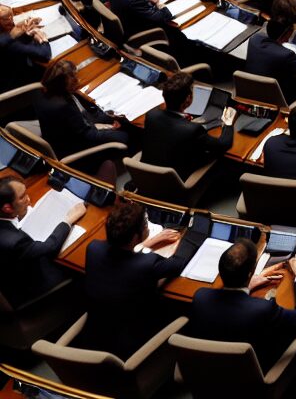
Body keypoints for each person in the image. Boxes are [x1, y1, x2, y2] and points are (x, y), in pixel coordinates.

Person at [81, 197, 188, 358]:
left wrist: (148, 243)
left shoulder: (93, 248)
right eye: (145, 225)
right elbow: (179, 263)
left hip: (97, 333)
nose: (147, 227)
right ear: (134, 238)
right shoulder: (146, 264)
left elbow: (121, 255)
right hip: (132, 342)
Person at [188, 239, 296, 370]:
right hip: (251, 375)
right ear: (250, 273)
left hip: (207, 371)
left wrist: (246, 285)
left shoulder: (201, 297)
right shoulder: (263, 308)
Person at [34, 58, 134, 179]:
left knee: (106, 117)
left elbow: (80, 118)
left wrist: (106, 119)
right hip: (75, 150)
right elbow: (88, 134)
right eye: (73, 78)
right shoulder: (64, 106)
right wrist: (109, 129)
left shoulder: (42, 93)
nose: (77, 80)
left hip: (62, 133)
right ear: (62, 82)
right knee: (124, 136)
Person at [0, 177, 85, 308]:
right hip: (29, 285)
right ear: (7, 208)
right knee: (81, 266)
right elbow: (49, 247)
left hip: (14, 269)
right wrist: (68, 220)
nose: (28, 200)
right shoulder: (13, 241)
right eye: (22, 197)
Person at [142, 70, 236, 176]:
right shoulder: (192, 130)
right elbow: (223, 145)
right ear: (188, 99)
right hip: (176, 181)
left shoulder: (151, 115)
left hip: (145, 175)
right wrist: (228, 123)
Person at [0, 4, 50, 90]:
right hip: (16, 82)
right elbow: (45, 55)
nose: (11, 20)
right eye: (6, 18)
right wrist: (43, 38)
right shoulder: (9, 45)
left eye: (11, 16)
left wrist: (27, 34)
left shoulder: (5, 39)